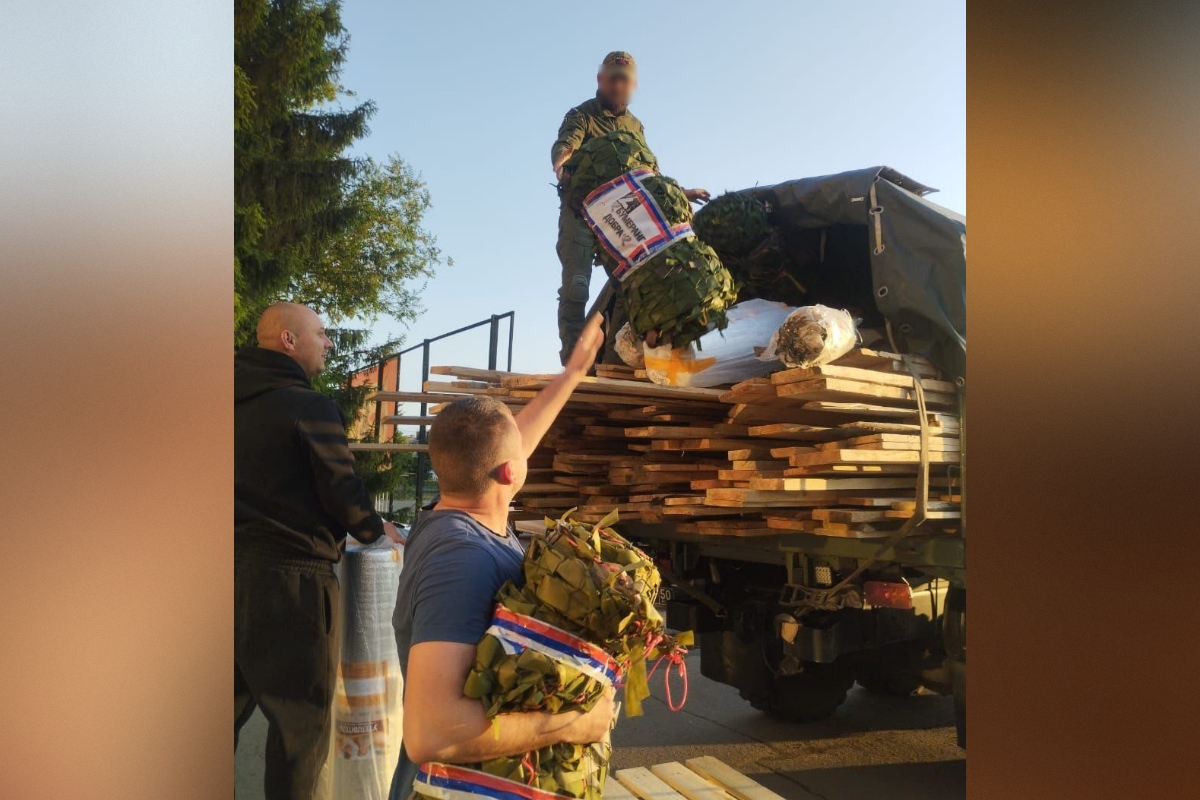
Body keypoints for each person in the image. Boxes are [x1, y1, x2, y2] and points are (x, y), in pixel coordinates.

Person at [388, 313, 612, 800]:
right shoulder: (462, 558)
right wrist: (574, 723)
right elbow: (429, 732)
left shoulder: (456, 515)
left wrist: (572, 373)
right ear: (512, 472)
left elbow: (510, 447)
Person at [234, 302, 404, 800]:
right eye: (321, 334)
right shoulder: (307, 406)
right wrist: (376, 530)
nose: (328, 343)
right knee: (298, 731)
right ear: (288, 341)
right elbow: (342, 493)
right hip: (292, 585)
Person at [551, 51, 711, 365]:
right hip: (582, 214)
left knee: (630, 285)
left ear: (633, 85)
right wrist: (562, 160)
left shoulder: (635, 127)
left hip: (620, 218)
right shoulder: (582, 115)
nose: (617, 85)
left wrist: (680, 191)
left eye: (623, 80)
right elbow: (566, 143)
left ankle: (614, 359)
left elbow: (648, 174)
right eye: (611, 78)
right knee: (576, 286)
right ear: (600, 79)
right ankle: (571, 362)